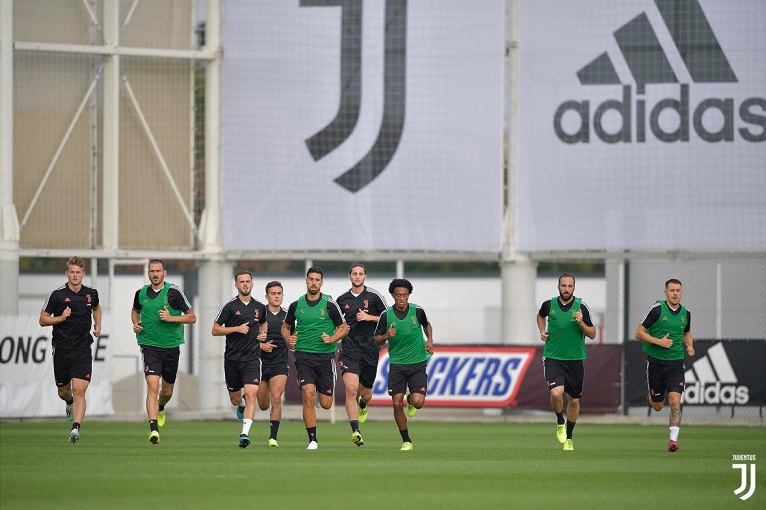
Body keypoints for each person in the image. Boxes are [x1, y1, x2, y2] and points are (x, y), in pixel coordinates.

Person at [282, 267, 349, 450]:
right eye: (311, 279)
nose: (313, 282)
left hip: (325, 357)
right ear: (306, 281)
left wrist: (333, 339)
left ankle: (322, 396)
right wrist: (289, 339)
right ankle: (312, 439)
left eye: (317, 279)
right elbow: (285, 327)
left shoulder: (329, 304)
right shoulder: (296, 305)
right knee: (308, 395)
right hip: (303, 356)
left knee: (326, 404)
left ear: (321, 282)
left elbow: (344, 327)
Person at [131, 259, 196, 444]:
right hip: (149, 345)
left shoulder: (174, 292)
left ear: (164, 273)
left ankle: (160, 407)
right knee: (152, 387)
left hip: (171, 346)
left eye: (158, 271)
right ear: (148, 272)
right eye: (152, 271)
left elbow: (192, 317)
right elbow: (135, 311)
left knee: (166, 391)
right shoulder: (141, 293)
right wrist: (135, 323)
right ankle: (153, 429)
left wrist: (171, 318)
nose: (155, 274)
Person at [39, 256, 102, 444]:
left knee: (80, 389)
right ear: (67, 273)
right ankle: (69, 403)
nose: (75, 276)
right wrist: (60, 318)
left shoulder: (91, 293)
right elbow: (42, 319)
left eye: (78, 272)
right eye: (72, 272)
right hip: (62, 349)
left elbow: (97, 308)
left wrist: (98, 325)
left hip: (82, 348)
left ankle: (75, 428)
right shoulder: (57, 295)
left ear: (83, 274)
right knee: (65, 392)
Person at [536, 272, 596, 451]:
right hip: (553, 356)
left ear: (574, 288)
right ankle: (559, 421)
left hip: (575, 360)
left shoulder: (581, 307)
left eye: (570, 286)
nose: (566, 289)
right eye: (563, 286)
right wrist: (542, 330)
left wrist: (581, 323)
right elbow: (540, 316)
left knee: (574, 401)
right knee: (556, 393)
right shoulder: (549, 305)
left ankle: (569, 437)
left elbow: (592, 334)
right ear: (558, 287)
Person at [635, 278, 695, 453]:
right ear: (666, 292)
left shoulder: (686, 313)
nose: (675, 293)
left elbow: (687, 332)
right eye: (672, 290)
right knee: (658, 406)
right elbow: (639, 333)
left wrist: (689, 345)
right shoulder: (656, 310)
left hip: (676, 364)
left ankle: (673, 441)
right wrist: (658, 342)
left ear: (681, 292)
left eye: (678, 290)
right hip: (656, 363)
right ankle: (652, 398)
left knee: (675, 402)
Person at [374, 278, 434, 451]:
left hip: (417, 363)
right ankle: (406, 440)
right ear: (393, 295)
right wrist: (386, 336)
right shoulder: (386, 315)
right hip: (397, 365)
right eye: (398, 295)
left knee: (418, 402)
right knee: (395, 404)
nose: (402, 298)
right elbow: (376, 339)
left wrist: (429, 339)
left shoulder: (418, 311)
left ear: (409, 295)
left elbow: (427, 325)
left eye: (405, 295)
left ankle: (411, 398)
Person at [211, 271, 268, 449]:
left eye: (248, 281)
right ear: (236, 285)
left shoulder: (260, 307)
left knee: (252, 395)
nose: (245, 284)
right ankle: (241, 404)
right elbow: (215, 329)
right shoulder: (229, 307)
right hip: (232, 359)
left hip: (252, 359)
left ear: (252, 284)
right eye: (241, 282)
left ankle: (244, 434)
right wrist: (236, 328)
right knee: (236, 399)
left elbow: (263, 323)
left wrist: (263, 333)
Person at [335, 264, 388, 447]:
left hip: (370, 350)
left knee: (365, 394)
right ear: (349, 276)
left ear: (365, 276)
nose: (357, 277)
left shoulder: (374, 297)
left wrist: (369, 317)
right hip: (349, 350)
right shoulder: (341, 300)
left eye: (360, 274)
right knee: (350, 390)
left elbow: (389, 317)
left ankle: (363, 405)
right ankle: (355, 430)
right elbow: (334, 321)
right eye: (354, 274)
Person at [256, 281, 290, 447]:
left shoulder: (288, 316)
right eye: (273, 293)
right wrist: (261, 345)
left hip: (280, 364)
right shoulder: (259, 315)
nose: (276, 296)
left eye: (279, 293)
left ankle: (273, 438)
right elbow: (246, 339)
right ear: (267, 296)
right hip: (260, 364)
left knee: (276, 397)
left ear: (282, 295)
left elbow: (293, 338)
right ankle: (244, 398)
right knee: (263, 405)